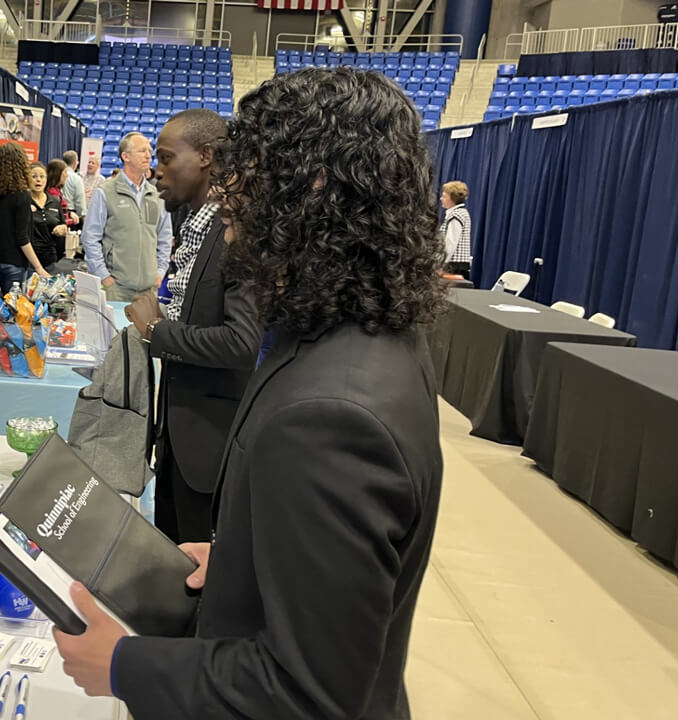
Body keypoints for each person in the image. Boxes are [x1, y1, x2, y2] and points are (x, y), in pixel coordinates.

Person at [55, 68, 447, 720]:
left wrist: (122, 665)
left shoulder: (331, 416)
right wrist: (241, 554)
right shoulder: (362, 333)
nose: (228, 194)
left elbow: (309, 692)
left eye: (248, 174)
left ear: (310, 188)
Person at [123, 109, 262, 544]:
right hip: (178, 438)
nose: (157, 172)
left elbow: (242, 342)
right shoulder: (196, 227)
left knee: (199, 579)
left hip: (211, 446)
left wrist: (156, 332)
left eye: (166, 159)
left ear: (205, 156)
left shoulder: (233, 231)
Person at [80, 132, 172, 301]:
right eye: (142, 150)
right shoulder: (105, 192)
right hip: (117, 289)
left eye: (149, 150)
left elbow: (165, 238)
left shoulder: (157, 195)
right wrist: (104, 276)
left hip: (149, 290)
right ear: (125, 156)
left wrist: (159, 272)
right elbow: (90, 238)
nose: (148, 155)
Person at [0, 143, 49, 292]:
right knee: (15, 311)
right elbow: (22, 238)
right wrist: (38, 267)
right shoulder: (22, 196)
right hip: (14, 261)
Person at [26, 161, 70, 272]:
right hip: (28, 260)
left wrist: (62, 228)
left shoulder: (55, 201)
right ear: (27, 179)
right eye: (34, 176)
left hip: (51, 258)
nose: (38, 180)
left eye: (42, 176)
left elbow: (63, 224)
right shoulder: (23, 201)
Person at [441, 180, 473, 278]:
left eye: (444, 196)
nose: (441, 199)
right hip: (455, 265)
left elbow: (450, 243)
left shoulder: (456, 215)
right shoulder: (460, 213)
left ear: (453, 199)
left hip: (454, 266)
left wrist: (441, 264)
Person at [45, 158, 80, 230]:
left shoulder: (57, 191)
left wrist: (69, 214)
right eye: (65, 172)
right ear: (57, 173)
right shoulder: (52, 193)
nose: (67, 175)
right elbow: (55, 218)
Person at [61, 150, 87, 226]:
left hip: (58, 212)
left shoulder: (58, 175)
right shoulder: (76, 178)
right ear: (75, 163)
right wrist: (82, 216)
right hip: (72, 215)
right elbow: (80, 201)